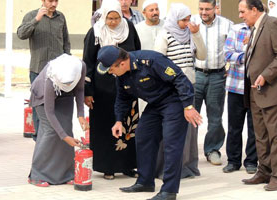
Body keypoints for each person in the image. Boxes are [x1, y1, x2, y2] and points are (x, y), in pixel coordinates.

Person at [96, 45, 202, 200]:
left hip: (175, 101)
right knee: (143, 136)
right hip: (155, 104)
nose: (110, 73)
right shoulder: (122, 74)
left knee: (172, 144)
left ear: (122, 64)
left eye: (111, 69)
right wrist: (118, 121)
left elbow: (180, 78)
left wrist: (188, 106)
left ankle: (169, 191)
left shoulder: (152, 60)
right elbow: (122, 98)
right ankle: (145, 181)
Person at [239, 0, 277, 191]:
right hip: (256, 91)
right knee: (261, 135)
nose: (240, 15)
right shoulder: (255, 27)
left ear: (254, 10)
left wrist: (265, 76)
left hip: (275, 90)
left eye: (243, 12)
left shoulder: (273, 24)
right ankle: (264, 170)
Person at [83, 0, 141, 180]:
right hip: (102, 91)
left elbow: (137, 52)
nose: (114, 22)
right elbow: (88, 63)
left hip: (127, 86)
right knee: (104, 126)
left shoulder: (129, 28)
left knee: (128, 123)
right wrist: (88, 91)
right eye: (110, 18)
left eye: (117, 18)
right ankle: (107, 166)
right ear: (104, 16)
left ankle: (128, 165)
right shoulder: (95, 32)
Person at [154, 3, 206, 179]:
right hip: (171, 88)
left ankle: (187, 167)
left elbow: (202, 56)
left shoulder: (190, 34)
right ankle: (167, 168)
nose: (186, 23)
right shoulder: (165, 35)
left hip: (190, 85)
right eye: (183, 20)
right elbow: (158, 61)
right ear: (175, 19)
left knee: (189, 128)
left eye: (188, 19)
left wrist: (196, 34)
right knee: (171, 128)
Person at [28, 54, 87, 187]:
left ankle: (66, 174)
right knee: (50, 131)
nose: (68, 84)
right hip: (43, 97)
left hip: (65, 97)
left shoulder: (80, 66)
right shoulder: (50, 77)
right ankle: (37, 175)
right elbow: (49, 112)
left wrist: (81, 114)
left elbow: (80, 89)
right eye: (65, 83)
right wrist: (65, 137)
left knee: (66, 128)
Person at [17, 0, 71, 141]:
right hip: (38, 70)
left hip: (58, 72)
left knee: (57, 105)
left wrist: (68, 62)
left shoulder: (61, 17)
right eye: (50, 1)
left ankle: (55, 137)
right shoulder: (31, 15)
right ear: (43, 1)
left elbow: (66, 42)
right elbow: (21, 34)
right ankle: (38, 138)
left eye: (56, 1)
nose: (53, 4)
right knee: (39, 105)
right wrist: (36, 20)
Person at [190, 0, 233, 165]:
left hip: (217, 76)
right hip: (196, 75)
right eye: (201, 8)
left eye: (207, 9)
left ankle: (212, 150)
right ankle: (190, 152)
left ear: (216, 8)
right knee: (191, 115)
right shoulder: (191, 22)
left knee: (215, 117)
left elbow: (233, 47)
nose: (203, 12)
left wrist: (230, 69)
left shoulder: (227, 25)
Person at [222, 22, 258, 174]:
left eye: (244, 11)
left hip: (256, 87)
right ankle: (233, 161)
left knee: (254, 127)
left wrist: (247, 50)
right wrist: (249, 52)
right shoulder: (236, 29)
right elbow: (228, 54)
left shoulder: (263, 29)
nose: (242, 15)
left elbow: (266, 55)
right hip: (236, 86)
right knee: (234, 126)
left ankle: (251, 161)